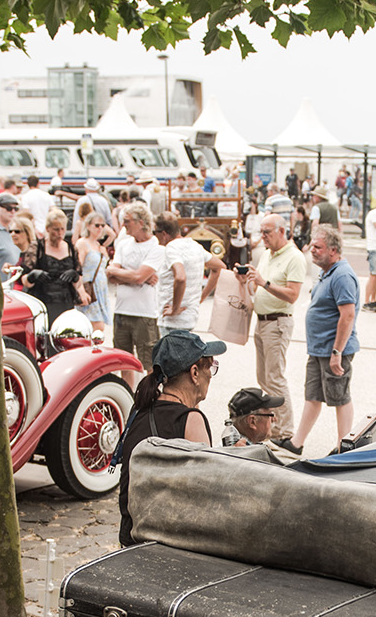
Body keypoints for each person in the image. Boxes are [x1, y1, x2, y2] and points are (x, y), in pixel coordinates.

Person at [117, 331, 223, 546]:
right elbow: (208, 493)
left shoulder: (139, 411)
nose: (211, 375)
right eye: (209, 367)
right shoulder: (190, 420)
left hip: (131, 535)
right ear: (194, 373)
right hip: (166, 542)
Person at [288, 225, 359, 455]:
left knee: (340, 397)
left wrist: (337, 353)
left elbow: (347, 315)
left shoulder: (342, 275)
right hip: (319, 349)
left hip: (334, 351)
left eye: (318, 247)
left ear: (333, 250)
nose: (312, 250)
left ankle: (343, 448)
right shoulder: (327, 271)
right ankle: (296, 443)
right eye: (312, 245)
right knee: (313, 396)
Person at [248, 213, 303, 441]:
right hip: (261, 321)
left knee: (275, 378)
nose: (262, 237)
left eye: (267, 232)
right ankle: (273, 425)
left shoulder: (294, 257)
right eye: (261, 232)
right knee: (263, 377)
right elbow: (258, 285)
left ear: (282, 231)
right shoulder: (267, 254)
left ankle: (285, 432)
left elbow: (293, 295)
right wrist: (249, 280)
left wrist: (265, 283)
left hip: (278, 322)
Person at [105, 201, 167, 368]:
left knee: (148, 361)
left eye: (127, 221)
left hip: (144, 313)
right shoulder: (123, 244)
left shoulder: (157, 248)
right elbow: (110, 274)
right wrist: (139, 276)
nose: (124, 225)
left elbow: (132, 275)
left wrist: (130, 274)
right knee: (122, 361)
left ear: (141, 222)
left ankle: (148, 394)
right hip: (121, 309)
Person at [156, 213, 213, 337]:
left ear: (164, 234)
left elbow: (180, 277)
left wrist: (175, 309)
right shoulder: (195, 245)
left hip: (172, 322)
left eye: (155, 232)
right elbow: (219, 267)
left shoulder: (171, 248)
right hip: (189, 317)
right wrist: (201, 298)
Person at [19, 209, 82, 318]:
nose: (60, 233)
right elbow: (25, 281)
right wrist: (32, 276)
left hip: (65, 303)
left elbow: (79, 283)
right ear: (48, 229)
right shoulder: (37, 248)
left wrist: (75, 277)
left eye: (63, 229)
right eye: (56, 229)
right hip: (43, 303)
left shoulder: (71, 248)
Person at [75, 213, 113, 340]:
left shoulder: (99, 246)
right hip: (89, 288)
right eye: (97, 225)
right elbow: (77, 267)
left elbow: (113, 234)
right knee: (96, 326)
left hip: (101, 289)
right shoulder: (83, 243)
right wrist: (80, 290)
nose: (100, 228)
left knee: (98, 327)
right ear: (88, 226)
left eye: (103, 226)